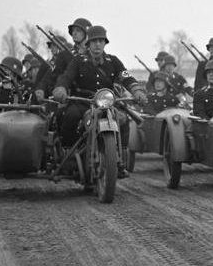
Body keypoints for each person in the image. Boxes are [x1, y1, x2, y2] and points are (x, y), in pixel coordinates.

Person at [53, 26, 147, 169]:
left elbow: (126, 77)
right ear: (88, 43)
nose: (97, 44)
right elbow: (66, 76)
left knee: (123, 120)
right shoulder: (78, 60)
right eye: (94, 41)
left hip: (107, 103)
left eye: (101, 41)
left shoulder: (113, 61)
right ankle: (69, 153)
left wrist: (137, 91)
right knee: (70, 116)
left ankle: (122, 157)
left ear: (105, 43)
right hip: (83, 102)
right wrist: (61, 89)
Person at [35, 17, 92, 101]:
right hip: (72, 98)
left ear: (86, 34)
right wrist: (41, 89)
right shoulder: (65, 55)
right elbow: (51, 76)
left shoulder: (95, 55)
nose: (74, 33)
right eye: (73, 31)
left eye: (78, 30)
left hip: (97, 98)